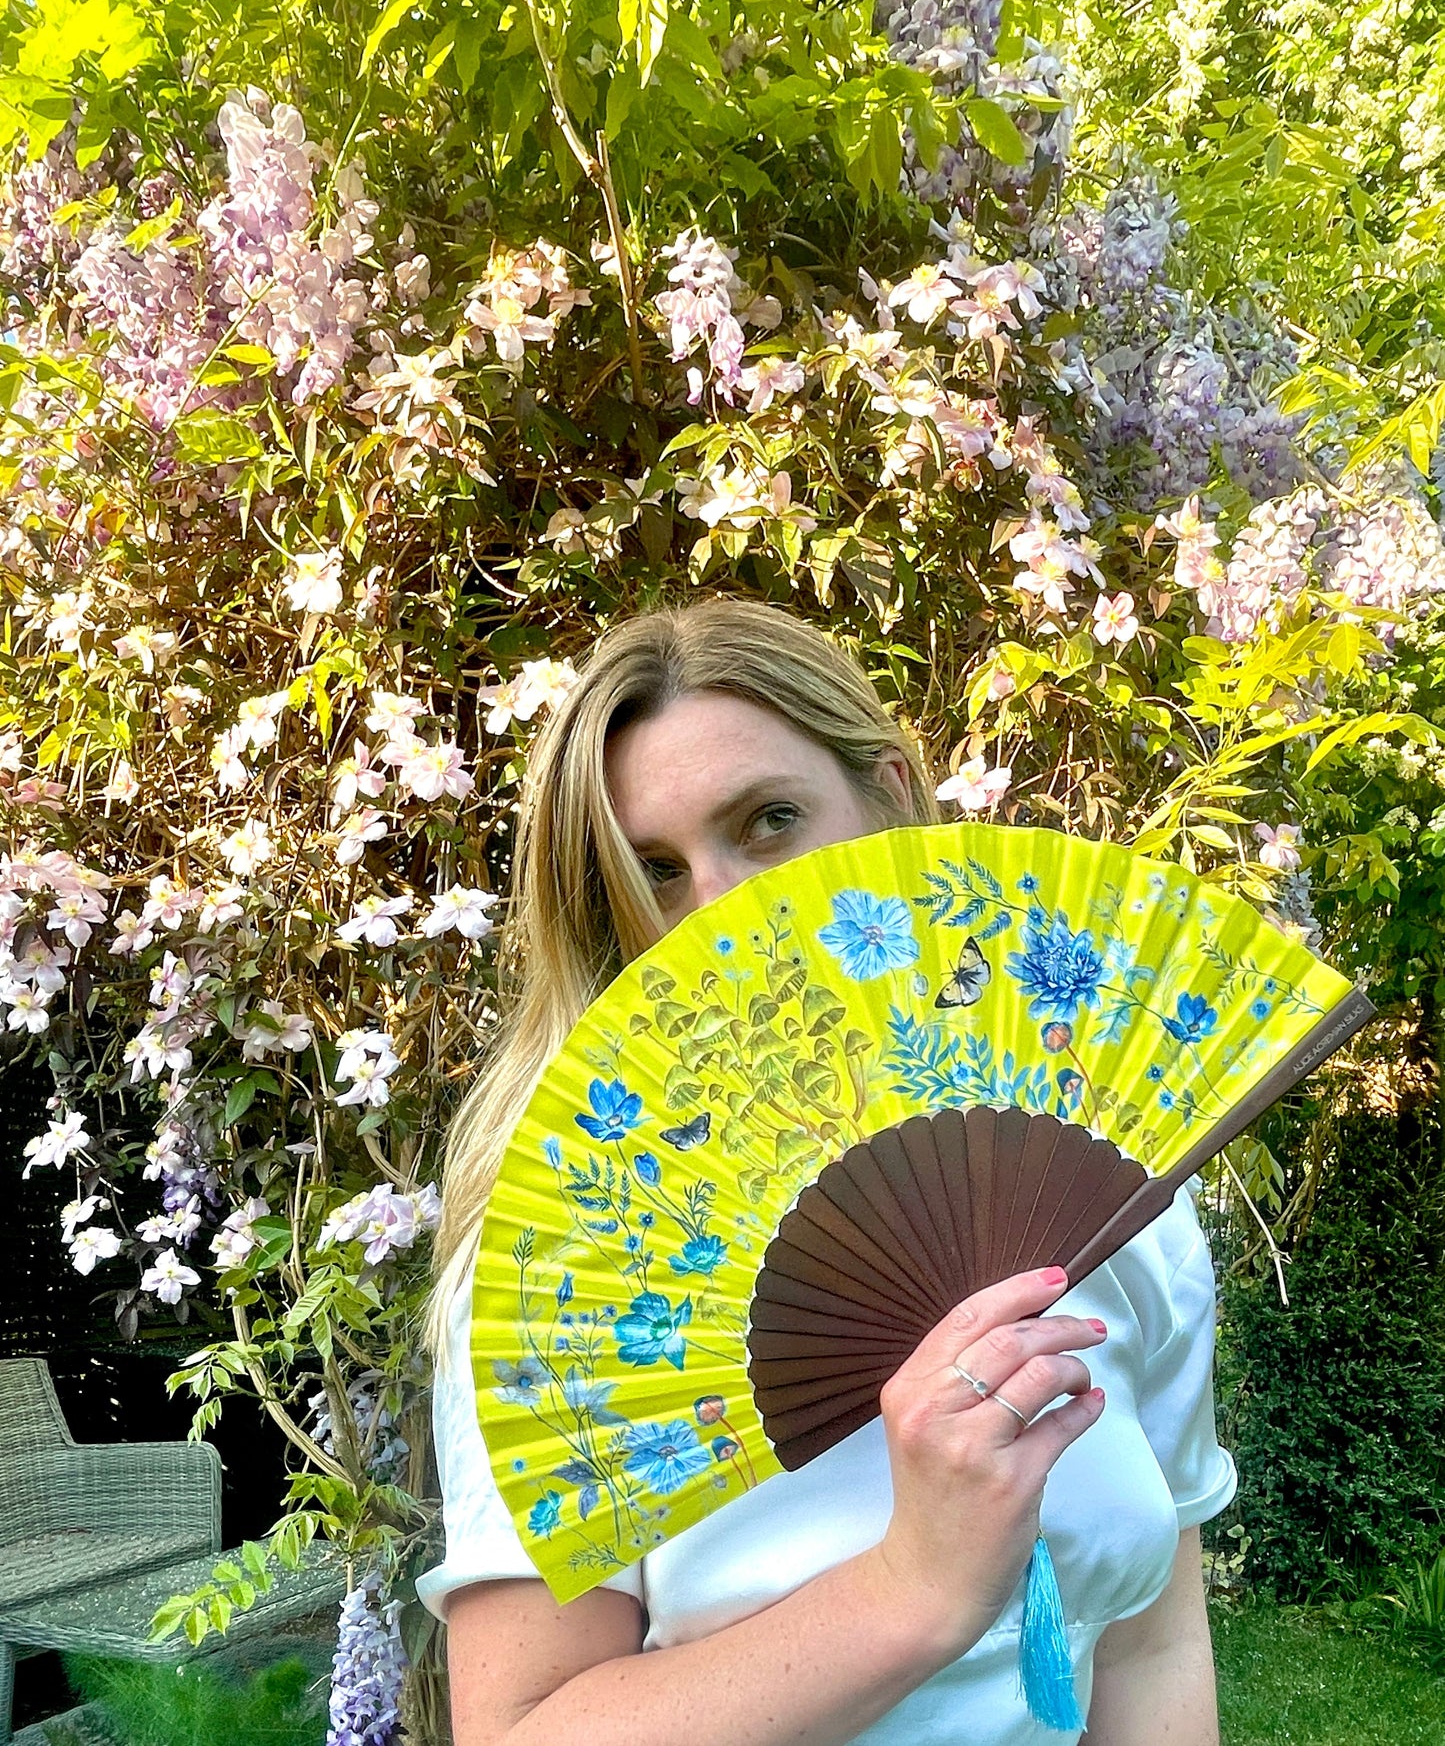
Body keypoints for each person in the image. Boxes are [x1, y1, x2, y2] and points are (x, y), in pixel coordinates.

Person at [420, 597, 1236, 1746]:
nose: (722, 906)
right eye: (655, 871)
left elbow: (1152, 1642)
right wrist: (914, 1587)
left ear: (890, 796)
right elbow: (518, 1731)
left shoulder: (1116, 1193)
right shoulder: (570, 1251)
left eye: (768, 821)